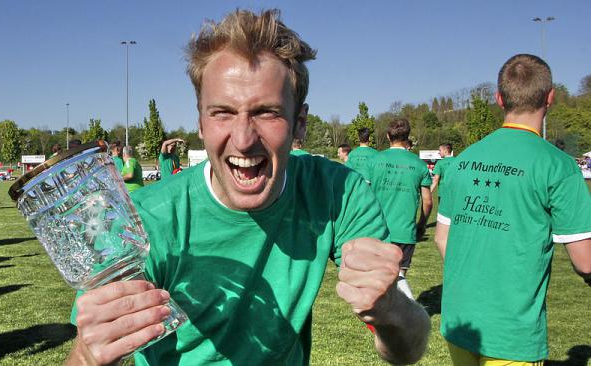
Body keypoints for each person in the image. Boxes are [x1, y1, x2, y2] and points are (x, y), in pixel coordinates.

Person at [66, 9, 430, 366]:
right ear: (201, 123)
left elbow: (408, 351)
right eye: (222, 112)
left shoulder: (336, 192)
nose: (243, 140)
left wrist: (391, 309)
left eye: (266, 112)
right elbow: (89, 349)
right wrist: (86, 355)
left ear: (299, 123)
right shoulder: (144, 222)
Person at [435, 54, 591, 365]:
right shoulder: (557, 165)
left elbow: (442, 239)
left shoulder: (464, 160)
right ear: (550, 97)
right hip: (510, 329)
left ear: (499, 98)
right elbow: (585, 260)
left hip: (459, 319)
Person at [366, 118, 433, 299]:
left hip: (378, 229)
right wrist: (422, 224)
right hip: (405, 231)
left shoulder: (375, 160)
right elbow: (427, 202)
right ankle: (401, 313)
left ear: (388, 136)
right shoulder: (419, 164)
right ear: (407, 137)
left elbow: (364, 195)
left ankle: (398, 314)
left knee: (381, 279)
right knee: (399, 276)